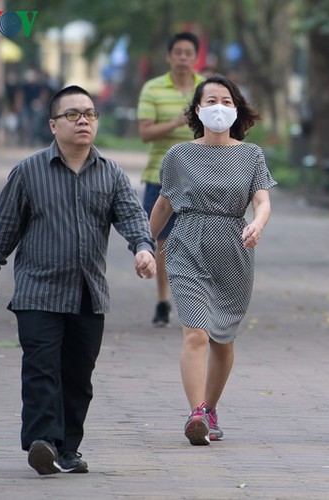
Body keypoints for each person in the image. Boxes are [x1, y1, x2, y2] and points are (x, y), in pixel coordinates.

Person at [0, 85, 156, 475]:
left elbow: (132, 218)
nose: (83, 120)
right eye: (73, 114)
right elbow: (3, 229)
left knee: (77, 377)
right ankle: (43, 442)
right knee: (41, 369)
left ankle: (67, 448)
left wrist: (143, 247)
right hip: (37, 292)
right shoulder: (27, 172)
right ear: (54, 124)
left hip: (88, 294)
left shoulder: (110, 173)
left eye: (89, 113)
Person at [149, 74, 276, 446]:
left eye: (225, 100)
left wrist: (259, 223)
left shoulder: (250, 154)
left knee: (223, 338)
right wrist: (143, 242)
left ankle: (211, 407)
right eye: (210, 101)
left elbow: (262, 199)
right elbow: (164, 203)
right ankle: (196, 412)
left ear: (236, 108)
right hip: (188, 243)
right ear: (197, 109)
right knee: (196, 333)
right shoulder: (179, 155)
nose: (218, 107)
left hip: (234, 250)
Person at [137, 32, 203, 327]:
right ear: (169, 56)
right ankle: (163, 300)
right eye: (177, 52)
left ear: (195, 57)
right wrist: (177, 123)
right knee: (162, 240)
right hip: (160, 176)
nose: (182, 58)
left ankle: (197, 300)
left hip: (202, 176)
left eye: (188, 53)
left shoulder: (208, 88)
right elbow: (145, 133)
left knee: (200, 241)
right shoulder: (152, 88)